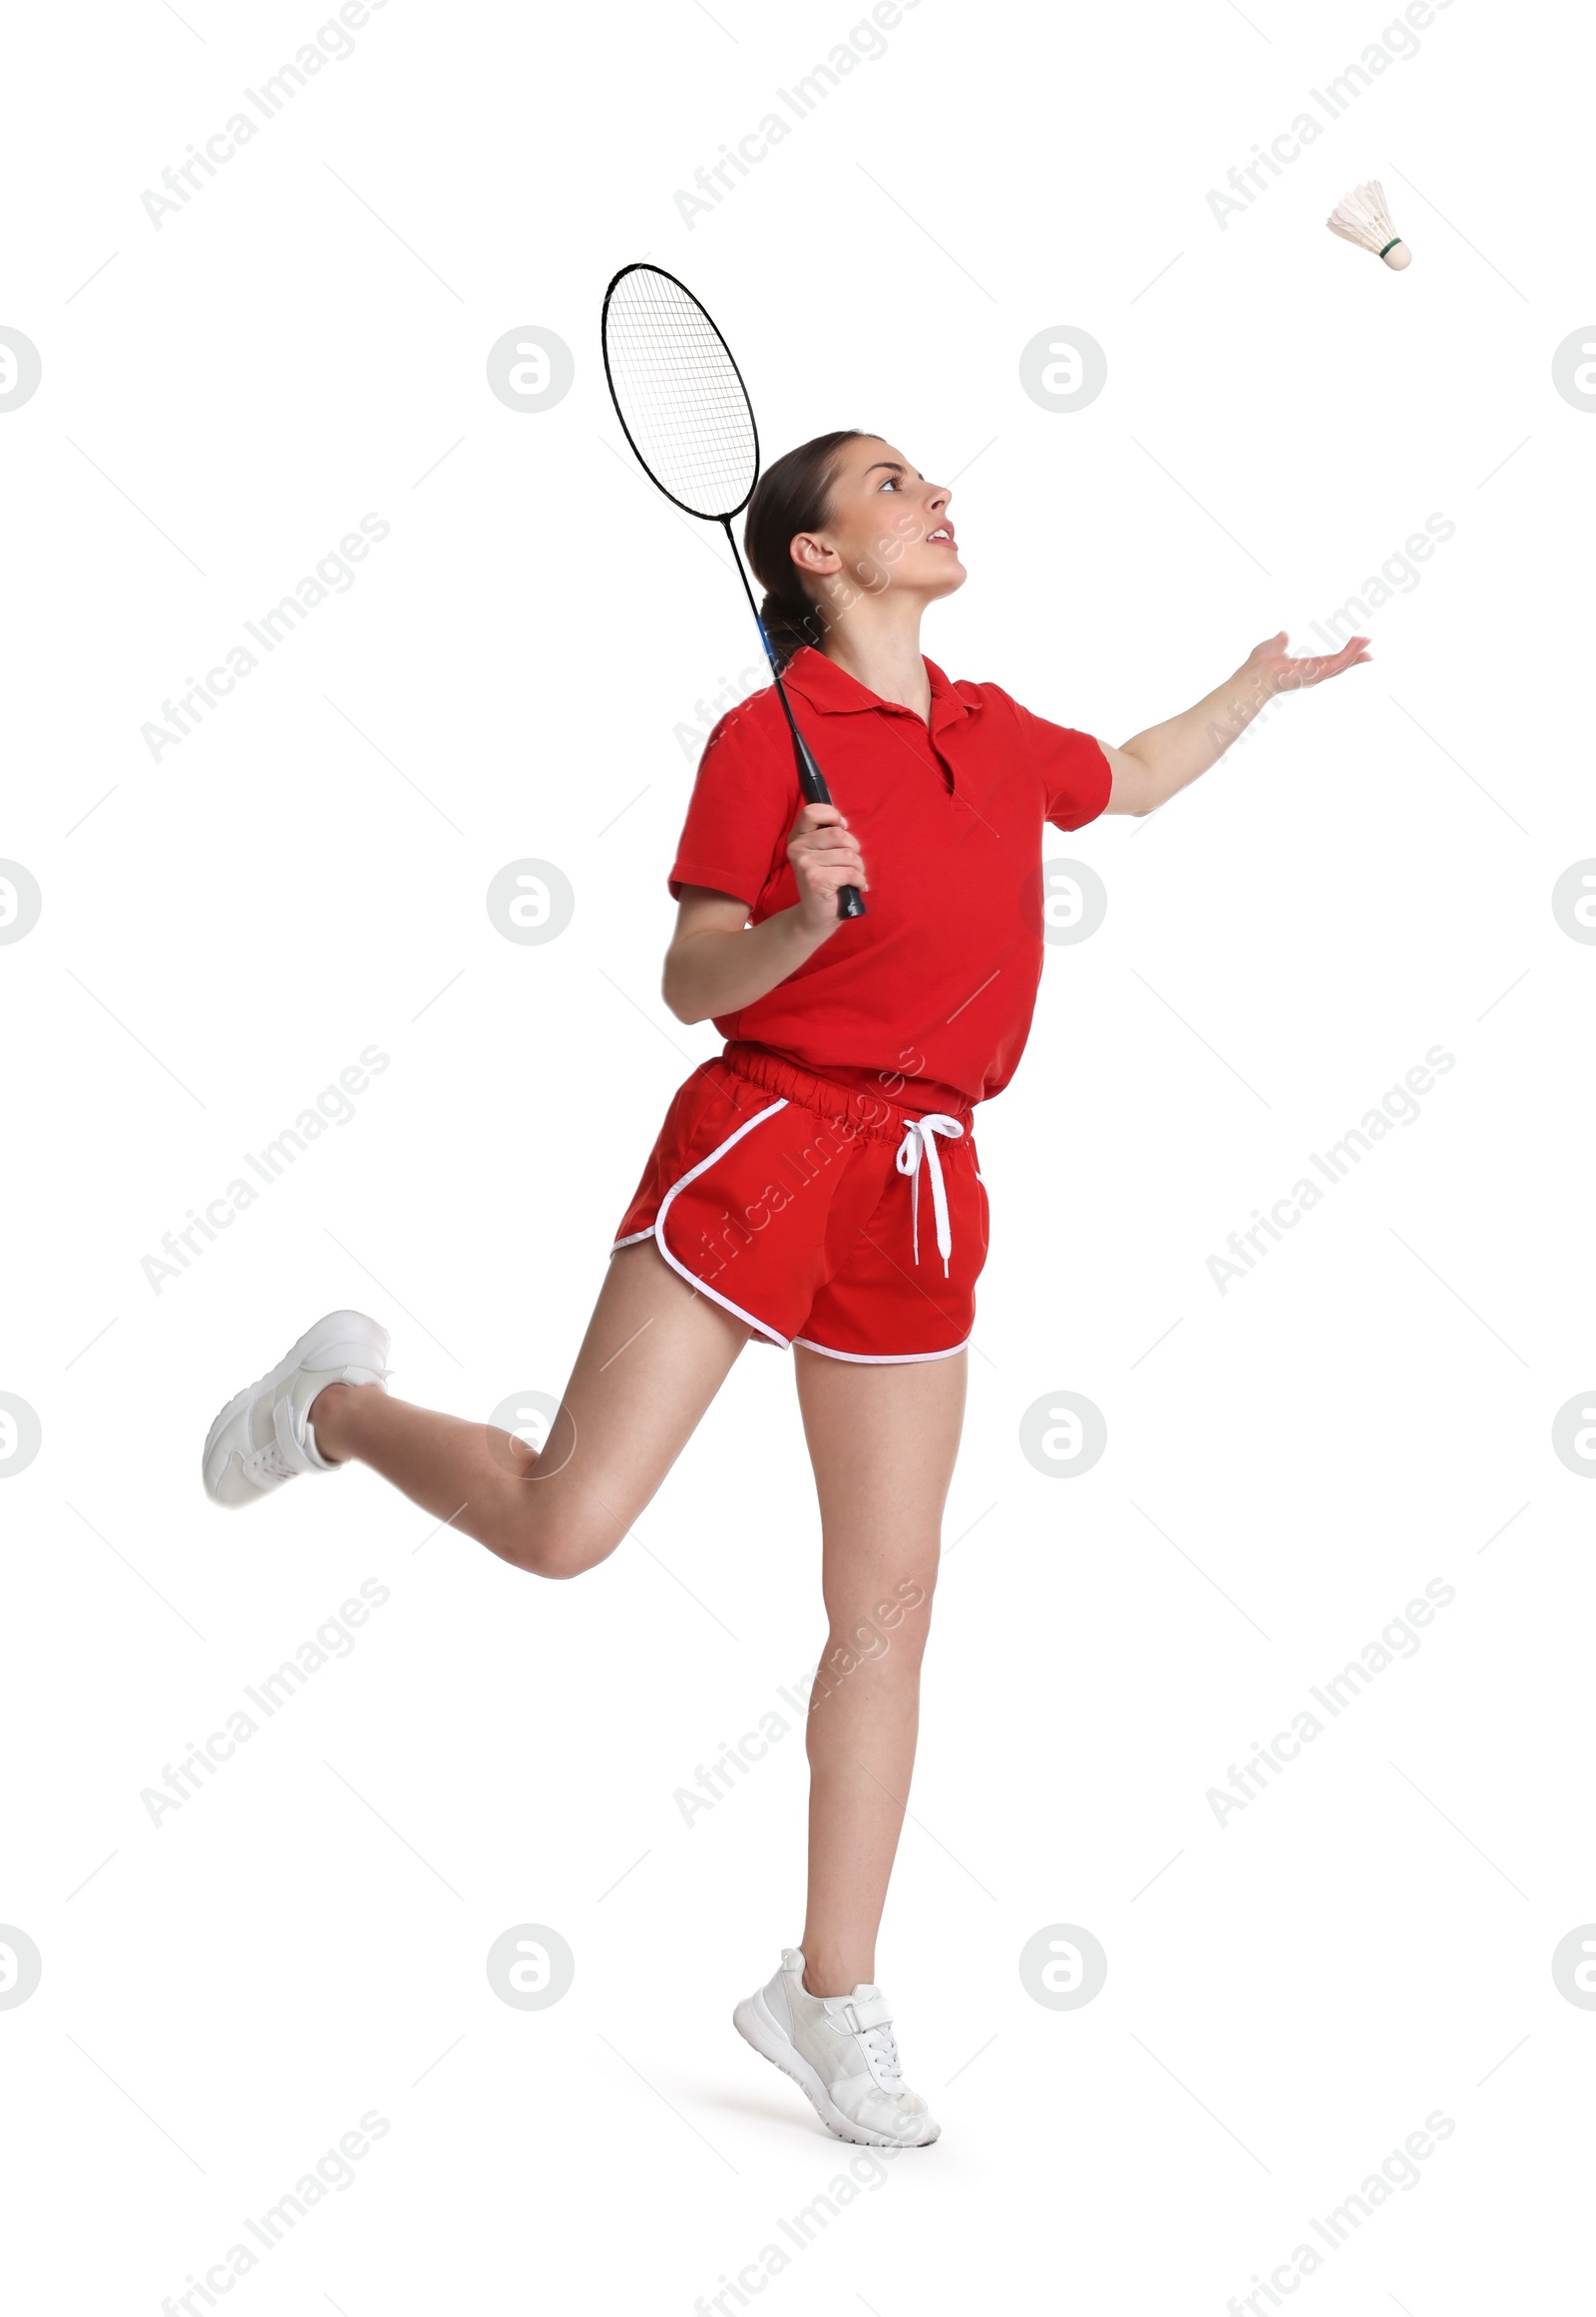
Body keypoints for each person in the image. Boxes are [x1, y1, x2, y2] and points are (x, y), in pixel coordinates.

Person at [201, 430, 1370, 2148]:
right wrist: (804, 927)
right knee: (563, 1521)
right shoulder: (767, 747)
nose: (938, 496)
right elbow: (692, 978)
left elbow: (1125, 770)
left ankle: (829, 1993)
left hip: (924, 1179)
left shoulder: (986, 727)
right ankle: (329, 1405)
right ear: (816, 557)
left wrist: (1255, 686)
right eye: (895, 486)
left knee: (887, 1612)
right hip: (766, 1143)